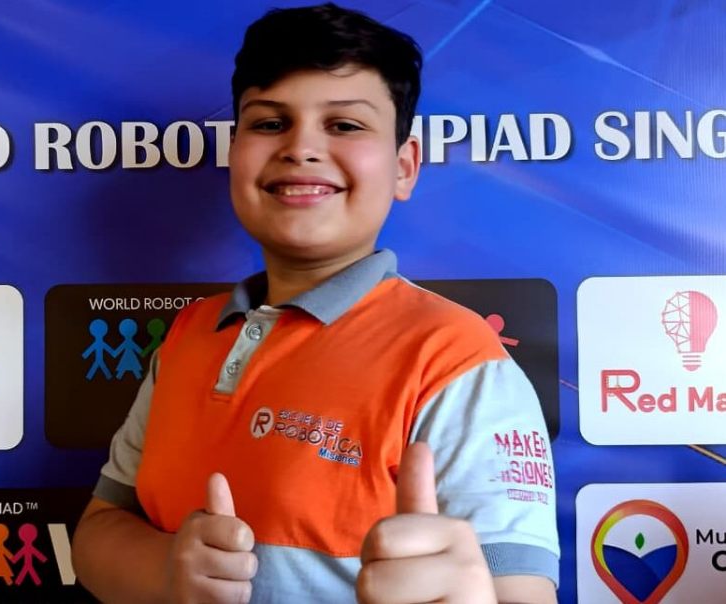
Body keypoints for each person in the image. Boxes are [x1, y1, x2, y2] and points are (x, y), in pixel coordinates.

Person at [72, 3, 559, 603]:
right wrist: (168, 570)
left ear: (404, 167)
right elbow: (97, 532)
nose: (301, 147)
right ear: (235, 153)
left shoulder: (454, 359)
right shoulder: (191, 332)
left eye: (345, 125)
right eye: (270, 122)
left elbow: (521, 591)